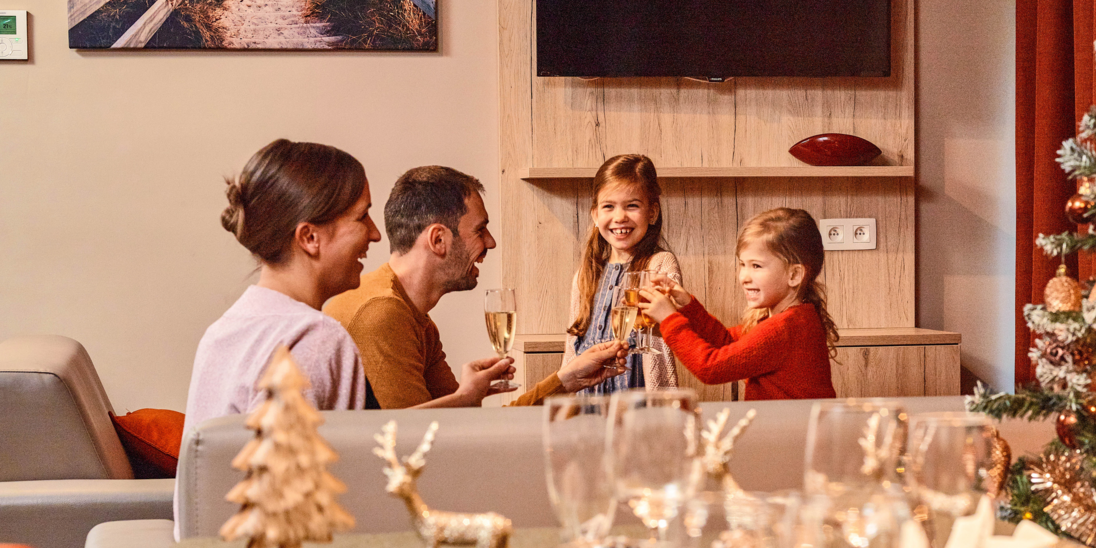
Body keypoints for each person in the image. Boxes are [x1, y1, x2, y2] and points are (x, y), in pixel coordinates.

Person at [186, 141, 623, 433]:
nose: (375, 236)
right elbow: (400, 458)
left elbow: (454, 432)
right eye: (361, 218)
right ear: (309, 238)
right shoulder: (325, 334)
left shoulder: (228, 329)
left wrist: (561, 381)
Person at [325, 166, 625, 408]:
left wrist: (568, 379)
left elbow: (464, 428)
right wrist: (464, 400)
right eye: (480, 230)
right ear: (438, 240)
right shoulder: (382, 314)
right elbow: (413, 443)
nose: (490, 242)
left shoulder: (415, 317)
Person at [637, 207, 839, 400]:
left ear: (794, 275)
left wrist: (669, 319)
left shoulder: (783, 328)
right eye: (742, 264)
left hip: (792, 434)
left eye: (756, 266)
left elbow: (710, 368)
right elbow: (727, 342)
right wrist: (689, 307)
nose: (744, 277)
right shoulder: (789, 318)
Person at [561, 154, 682, 394]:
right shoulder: (586, 274)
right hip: (588, 405)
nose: (619, 217)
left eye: (632, 205)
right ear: (595, 215)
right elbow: (571, 350)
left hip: (641, 406)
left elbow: (672, 326)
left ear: (652, 212)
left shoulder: (659, 264)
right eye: (609, 206)